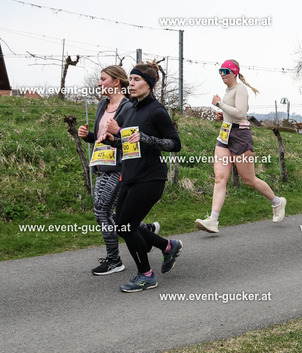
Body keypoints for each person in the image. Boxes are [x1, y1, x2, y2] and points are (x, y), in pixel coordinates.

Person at [99, 60, 183, 292]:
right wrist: (113, 140)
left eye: (137, 79)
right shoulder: (132, 109)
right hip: (130, 176)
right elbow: (129, 144)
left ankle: (146, 275)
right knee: (123, 226)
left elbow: (174, 144)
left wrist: (146, 138)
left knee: (126, 226)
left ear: (149, 84)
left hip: (150, 177)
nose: (131, 83)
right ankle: (168, 246)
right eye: (131, 79)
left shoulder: (157, 110)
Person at [195, 60, 286, 233]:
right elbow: (232, 113)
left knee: (248, 179)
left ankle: (277, 202)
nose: (222, 74)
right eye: (220, 71)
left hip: (240, 136)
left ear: (234, 72)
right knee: (220, 178)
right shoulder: (228, 90)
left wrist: (219, 104)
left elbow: (241, 113)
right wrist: (223, 115)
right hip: (225, 134)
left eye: (226, 71)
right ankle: (213, 220)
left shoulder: (240, 89)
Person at [78, 65, 132, 275]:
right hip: (102, 166)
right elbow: (100, 138)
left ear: (116, 82)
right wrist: (87, 136)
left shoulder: (128, 107)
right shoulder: (102, 104)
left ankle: (114, 260)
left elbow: (130, 141)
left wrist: (117, 132)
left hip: (119, 167)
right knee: (111, 213)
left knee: (102, 211)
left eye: (103, 79)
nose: (99, 83)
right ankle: (146, 230)